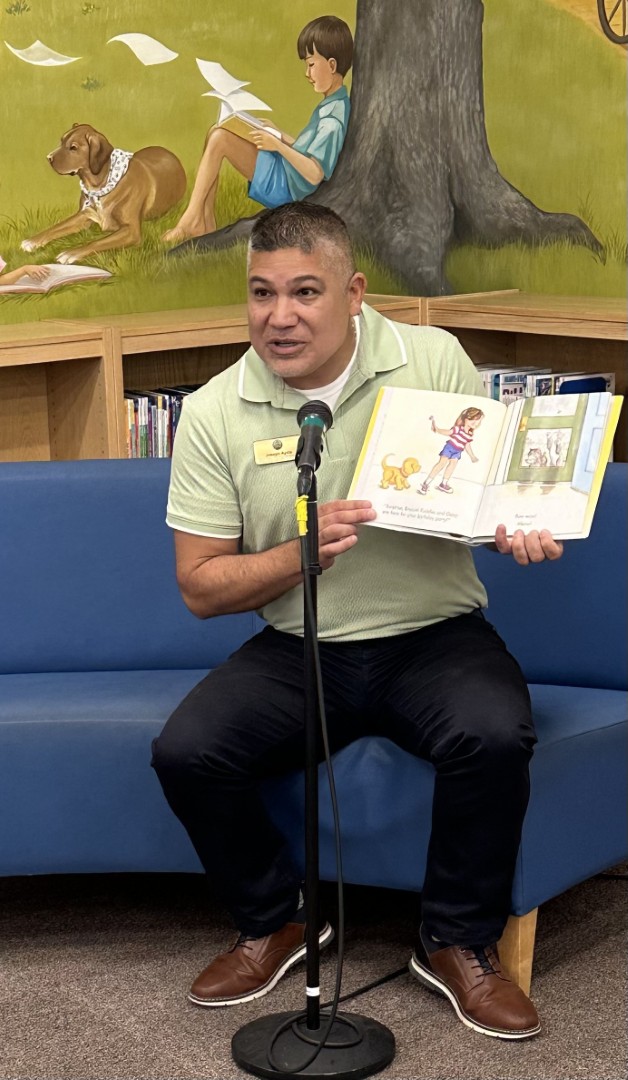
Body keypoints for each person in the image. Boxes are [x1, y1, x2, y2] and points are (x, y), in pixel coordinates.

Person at [152, 202, 563, 1039]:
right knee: (187, 751)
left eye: (305, 292)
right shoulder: (216, 410)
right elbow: (199, 586)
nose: (280, 316)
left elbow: (489, 491)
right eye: (262, 293)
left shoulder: (432, 358)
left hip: (434, 633)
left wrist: (517, 522)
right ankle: (278, 919)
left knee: (493, 734)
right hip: (301, 641)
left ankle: (456, 940)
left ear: (355, 293)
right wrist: (296, 555)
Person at [161, 15, 352, 243]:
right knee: (216, 131)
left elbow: (315, 172)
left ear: (332, 65)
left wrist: (278, 146)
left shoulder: (332, 119)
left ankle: (191, 221)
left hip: (286, 187)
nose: (307, 73)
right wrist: (280, 135)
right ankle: (205, 220)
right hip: (286, 173)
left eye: (311, 64)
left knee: (220, 138)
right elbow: (310, 150)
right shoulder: (333, 104)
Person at [419, 406, 484, 494]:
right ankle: (426, 483)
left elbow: (467, 445)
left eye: (478, 421)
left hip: (458, 451)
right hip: (450, 447)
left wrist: (472, 456)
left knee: (452, 465)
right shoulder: (458, 429)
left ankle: (443, 483)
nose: (476, 423)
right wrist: (437, 429)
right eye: (473, 420)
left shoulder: (469, 434)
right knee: (441, 464)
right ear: (466, 418)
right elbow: (448, 432)